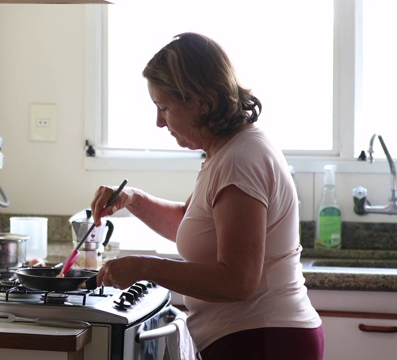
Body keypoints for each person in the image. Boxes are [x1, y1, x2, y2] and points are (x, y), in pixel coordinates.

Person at [90, 32, 324, 360]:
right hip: (255, 337)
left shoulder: (240, 159)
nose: (159, 122)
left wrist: (144, 267)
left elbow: (237, 280)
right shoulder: (225, 152)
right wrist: (133, 199)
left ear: (202, 102)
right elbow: (193, 227)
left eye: (164, 108)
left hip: (264, 340)